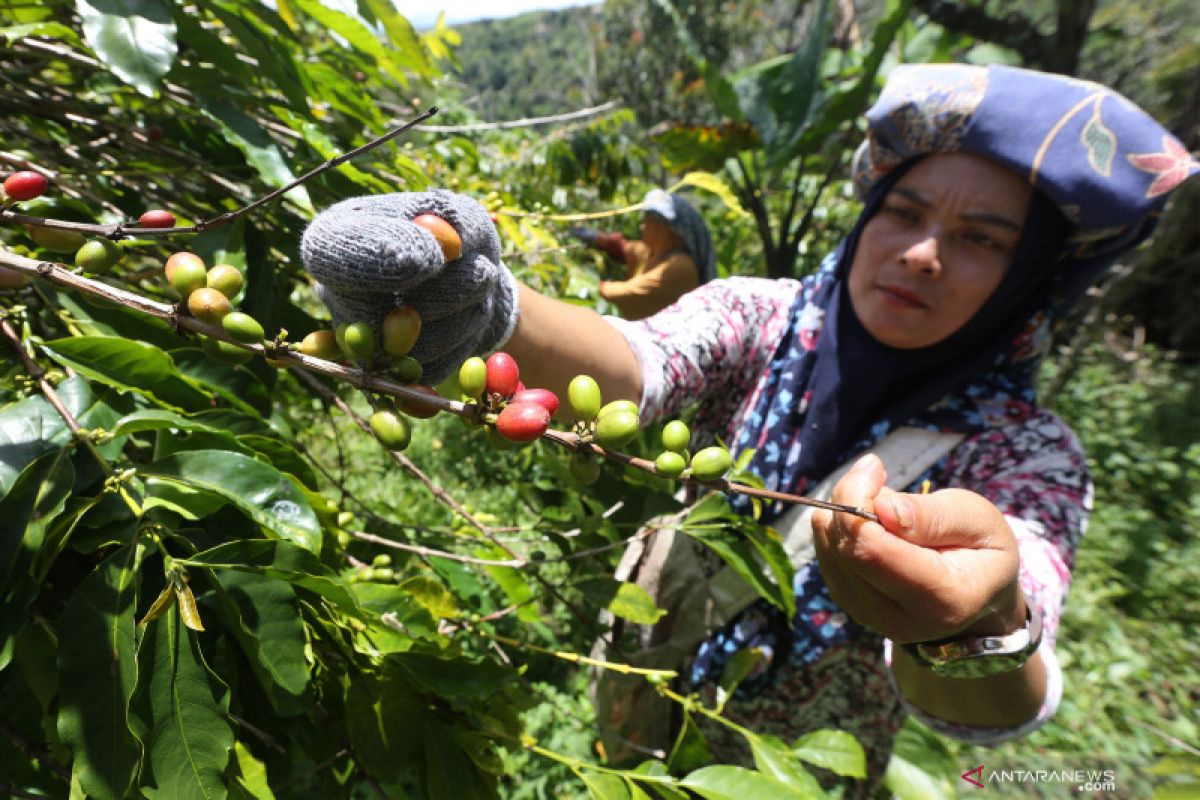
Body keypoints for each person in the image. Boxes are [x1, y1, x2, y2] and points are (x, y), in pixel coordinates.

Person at [300, 63, 1198, 793]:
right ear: (867, 217)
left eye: (983, 240)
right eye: (907, 214)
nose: (923, 252)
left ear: (1030, 281)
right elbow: (634, 362)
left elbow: (1005, 698)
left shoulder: (1027, 453)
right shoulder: (763, 319)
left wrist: (975, 624)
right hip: (643, 701)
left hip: (797, 774)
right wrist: (484, 312)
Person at [569, 189, 717, 319]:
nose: (643, 226)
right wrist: (599, 240)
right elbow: (626, 249)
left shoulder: (679, 266)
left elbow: (628, 293)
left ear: (666, 229)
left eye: (648, 222)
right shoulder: (656, 253)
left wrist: (582, 283)